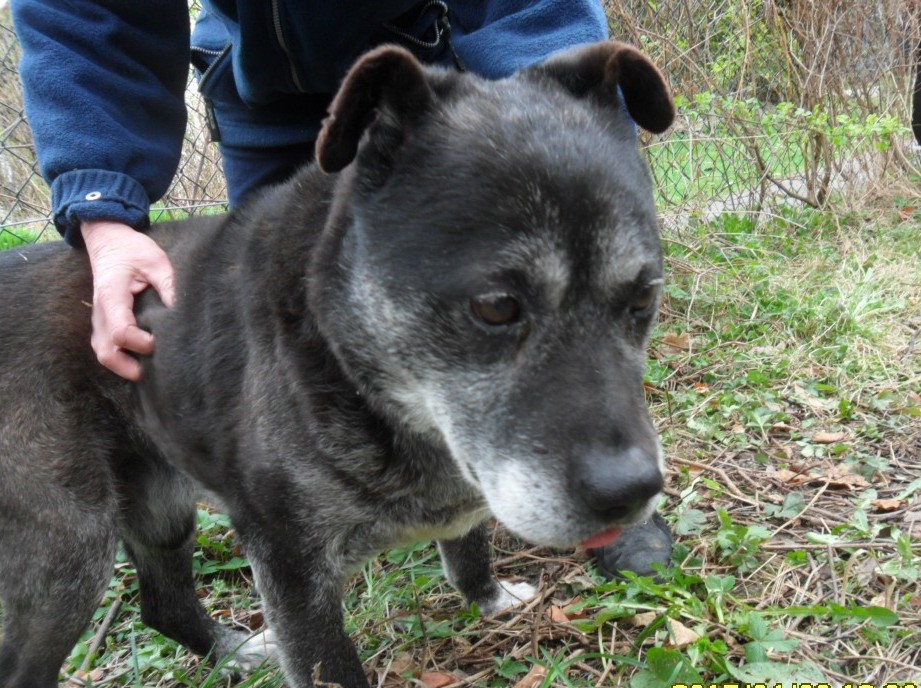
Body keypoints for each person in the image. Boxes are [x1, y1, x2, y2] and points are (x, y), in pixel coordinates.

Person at [9, 0, 672, 579]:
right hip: (259, 84)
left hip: (430, 63)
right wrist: (104, 209)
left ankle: (549, 498)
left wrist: (563, 121)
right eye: (499, 308)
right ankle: (330, 516)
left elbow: (528, 8)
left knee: (542, 287)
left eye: (640, 303)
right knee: (297, 380)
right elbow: (89, 10)